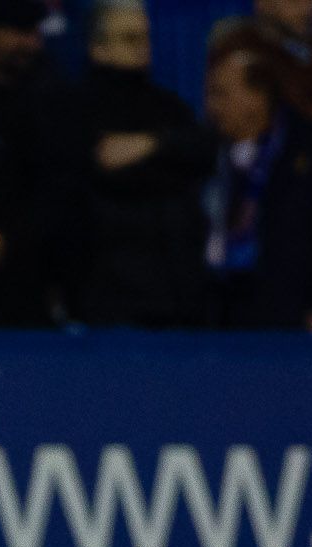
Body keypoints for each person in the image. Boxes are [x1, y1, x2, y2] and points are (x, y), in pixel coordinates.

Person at [62, 3, 212, 327]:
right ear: (98, 47)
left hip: (177, 287)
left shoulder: (168, 107)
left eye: (145, 38)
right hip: (108, 291)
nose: (142, 47)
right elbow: (101, 173)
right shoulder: (76, 109)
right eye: (130, 39)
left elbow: (202, 152)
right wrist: (166, 159)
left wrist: (150, 144)